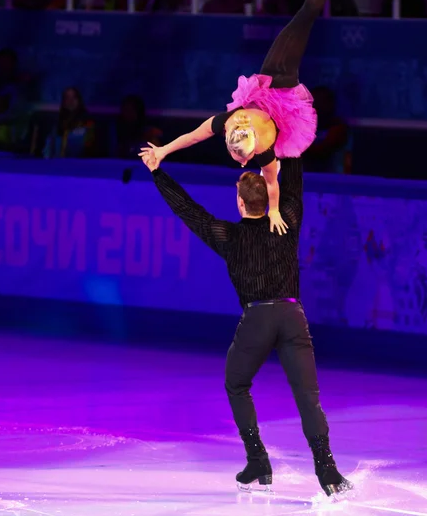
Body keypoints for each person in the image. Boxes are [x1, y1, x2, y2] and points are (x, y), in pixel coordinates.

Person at [140, 150, 353, 498]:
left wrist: (158, 172)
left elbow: (188, 211)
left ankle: (258, 460)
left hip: (257, 319)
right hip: (291, 315)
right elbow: (295, 185)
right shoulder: (288, 220)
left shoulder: (229, 236)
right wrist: (290, 143)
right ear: (269, 197)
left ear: (241, 204)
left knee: (236, 383)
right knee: (307, 398)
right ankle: (327, 470)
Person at [141, 0, 361, 235]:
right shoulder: (237, 128)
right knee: (305, 16)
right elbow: (266, 183)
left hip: (277, 84)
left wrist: (161, 151)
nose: (238, 160)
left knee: (306, 17)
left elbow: (269, 181)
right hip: (278, 81)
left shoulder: (251, 140)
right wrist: (162, 152)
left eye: (235, 155)